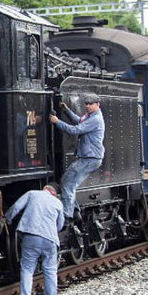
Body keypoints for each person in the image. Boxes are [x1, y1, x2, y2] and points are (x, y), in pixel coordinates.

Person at [3, 183, 66, 295]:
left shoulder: (32, 194)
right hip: (50, 240)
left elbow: (16, 207)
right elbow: (60, 225)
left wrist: (7, 219)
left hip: (30, 237)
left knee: (27, 268)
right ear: (55, 193)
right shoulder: (58, 203)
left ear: (45, 188)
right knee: (50, 270)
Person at [50, 93, 105, 221]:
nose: (88, 106)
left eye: (90, 104)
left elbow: (75, 130)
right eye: (86, 104)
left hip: (90, 159)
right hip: (89, 158)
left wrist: (57, 122)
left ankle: (67, 216)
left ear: (98, 104)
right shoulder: (90, 116)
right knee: (66, 180)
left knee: (68, 184)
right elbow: (79, 121)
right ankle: (75, 211)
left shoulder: (95, 119)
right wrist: (67, 111)